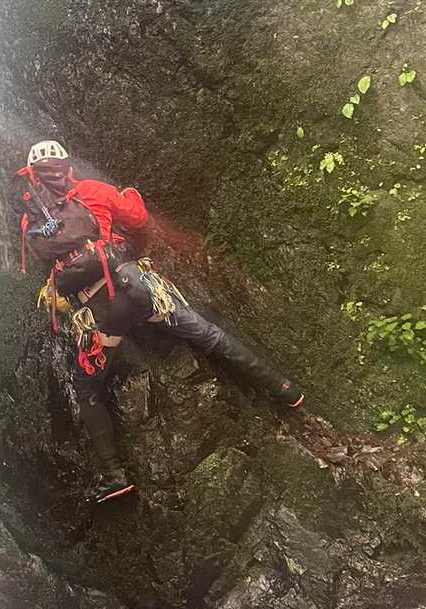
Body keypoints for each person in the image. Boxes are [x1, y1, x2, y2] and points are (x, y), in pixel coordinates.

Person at [16, 140, 304, 504]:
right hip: (137, 288)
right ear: (68, 167)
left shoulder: (33, 221)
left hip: (101, 314)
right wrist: (130, 214)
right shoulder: (93, 191)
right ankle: (283, 388)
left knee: (87, 387)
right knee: (207, 334)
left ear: (34, 180)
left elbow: (49, 267)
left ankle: (114, 475)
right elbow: (138, 221)